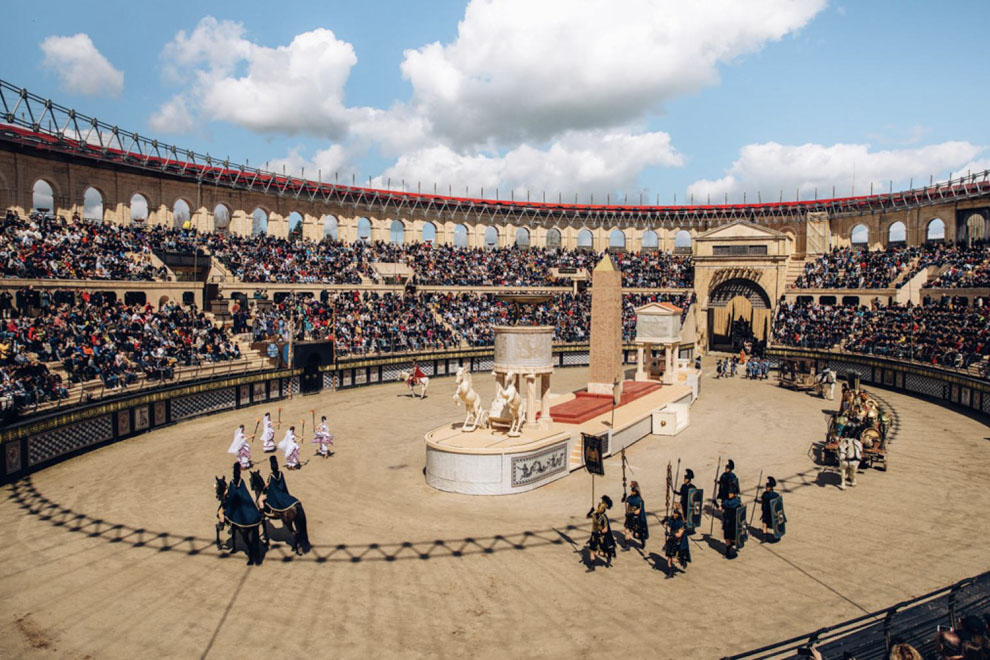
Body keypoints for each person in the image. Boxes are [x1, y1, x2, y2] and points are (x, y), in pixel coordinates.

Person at [219, 462, 263, 565]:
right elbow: (245, 494)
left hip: (238, 509)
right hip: (246, 506)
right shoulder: (242, 482)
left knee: (224, 512)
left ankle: (223, 523)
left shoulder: (232, 483)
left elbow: (231, 495)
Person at [587, 495, 616, 567]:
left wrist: (600, 531)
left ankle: (608, 556)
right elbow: (587, 517)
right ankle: (592, 566)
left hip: (601, 537)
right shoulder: (594, 515)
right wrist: (590, 511)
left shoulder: (604, 518)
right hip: (594, 535)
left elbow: (605, 530)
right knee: (591, 550)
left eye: (599, 508)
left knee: (600, 553)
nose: (598, 508)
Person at [663, 507, 690, 576]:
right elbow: (669, 523)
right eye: (673, 513)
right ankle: (670, 572)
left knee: (674, 559)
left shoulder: (682, 523)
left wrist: (670, 534)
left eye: (675, 513)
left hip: (678, 542)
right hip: (671, 540)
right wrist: (665, 520)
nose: (674, 514)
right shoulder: (672, 521)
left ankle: (682, 560)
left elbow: (679, 535)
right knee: (669, 556)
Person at [622, 481, 649, 548]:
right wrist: (624, 496)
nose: (631, 492)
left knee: (636, 533)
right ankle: (627, 545)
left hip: (635, 519)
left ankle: (642, 541)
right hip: (629, 517)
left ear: (635, 492)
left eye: (632, 491)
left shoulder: (638, 500)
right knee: (626, 530)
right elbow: (624, 500)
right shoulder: (630, 497)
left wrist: (631, 514)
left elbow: (639, 511)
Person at [721, 483, 742, 559]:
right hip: (727, 522)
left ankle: (731, 546)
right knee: (727, 537)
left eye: (731, 493)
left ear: (734, 494)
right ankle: (728, 552)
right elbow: (721, 508)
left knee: (732, 537)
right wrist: (717, 504)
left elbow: (740, 513)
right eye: (729, 493)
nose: (729, 494)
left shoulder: (736, 502)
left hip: (733, 522)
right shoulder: (727, 501)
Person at [759, 476, 784, 541]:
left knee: (774, 524)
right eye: (766, 487)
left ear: (771, 488)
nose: (766, 488)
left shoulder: (775, 495)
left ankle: (776, 535)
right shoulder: (765, 494)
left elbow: (778, 505)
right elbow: (762, 502)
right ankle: (764, 537)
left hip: (772, 513)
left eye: (768, 487)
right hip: (766, 512)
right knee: (764, 524)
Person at [678, 468, 698, 534]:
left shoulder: (693, 487)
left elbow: (695, 496)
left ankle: (690, 529)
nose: (685, 480)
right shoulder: (683, 486)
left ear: (689, 480)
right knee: (683, 515)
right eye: (684, 479)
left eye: (686, 479)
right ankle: (684, 527)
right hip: (683, 502)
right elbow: (681, 493)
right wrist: (676, 492)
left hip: (689, 503)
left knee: (689, 516)